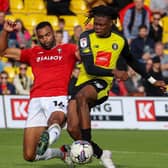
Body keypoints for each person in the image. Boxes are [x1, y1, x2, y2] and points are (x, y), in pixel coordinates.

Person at [66, 5, 166, 168]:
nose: (97, 27)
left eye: (101, 24)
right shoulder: (85, 37)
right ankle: (102, 154)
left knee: (82, 97)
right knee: (71, 128)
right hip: (82, 81)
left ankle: (85, 144)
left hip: (102, 83)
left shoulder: (119, 40)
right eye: (95, 23)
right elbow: (90, 67)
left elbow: (133, 61)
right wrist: (115, 72)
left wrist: (153, 81)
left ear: (111, 23)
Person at [0, 20, 78, 166]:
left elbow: (88, 58)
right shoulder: (33, 53)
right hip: (36, 100)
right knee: (30, 155)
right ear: (37, 37)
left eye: (47, 35)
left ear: (53, 33)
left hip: (58, 96)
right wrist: (5, 32)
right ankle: (62, 153)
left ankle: (49, 136)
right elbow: (3, 51)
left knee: (56, 120)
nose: (45, 39)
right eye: (41, 37)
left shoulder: (69, 49)